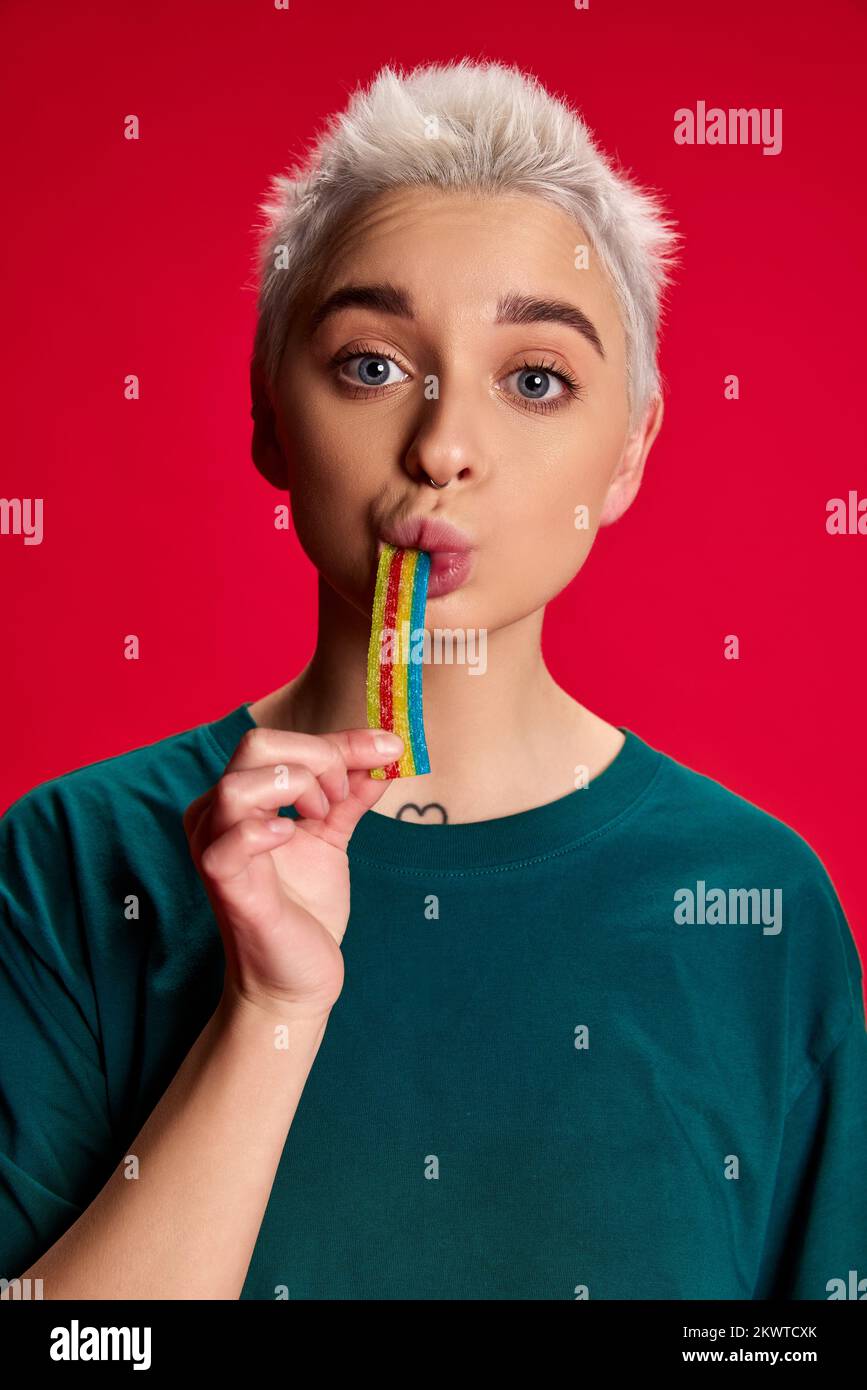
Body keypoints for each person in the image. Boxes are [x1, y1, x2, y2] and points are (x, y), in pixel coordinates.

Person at [2, 58, 865, 1302]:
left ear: (629, 452)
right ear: (267, 416)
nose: (443, 446)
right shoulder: (74, 866)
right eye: (369, 363)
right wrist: (268, 1016)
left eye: (535, 379)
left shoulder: (756, 903)